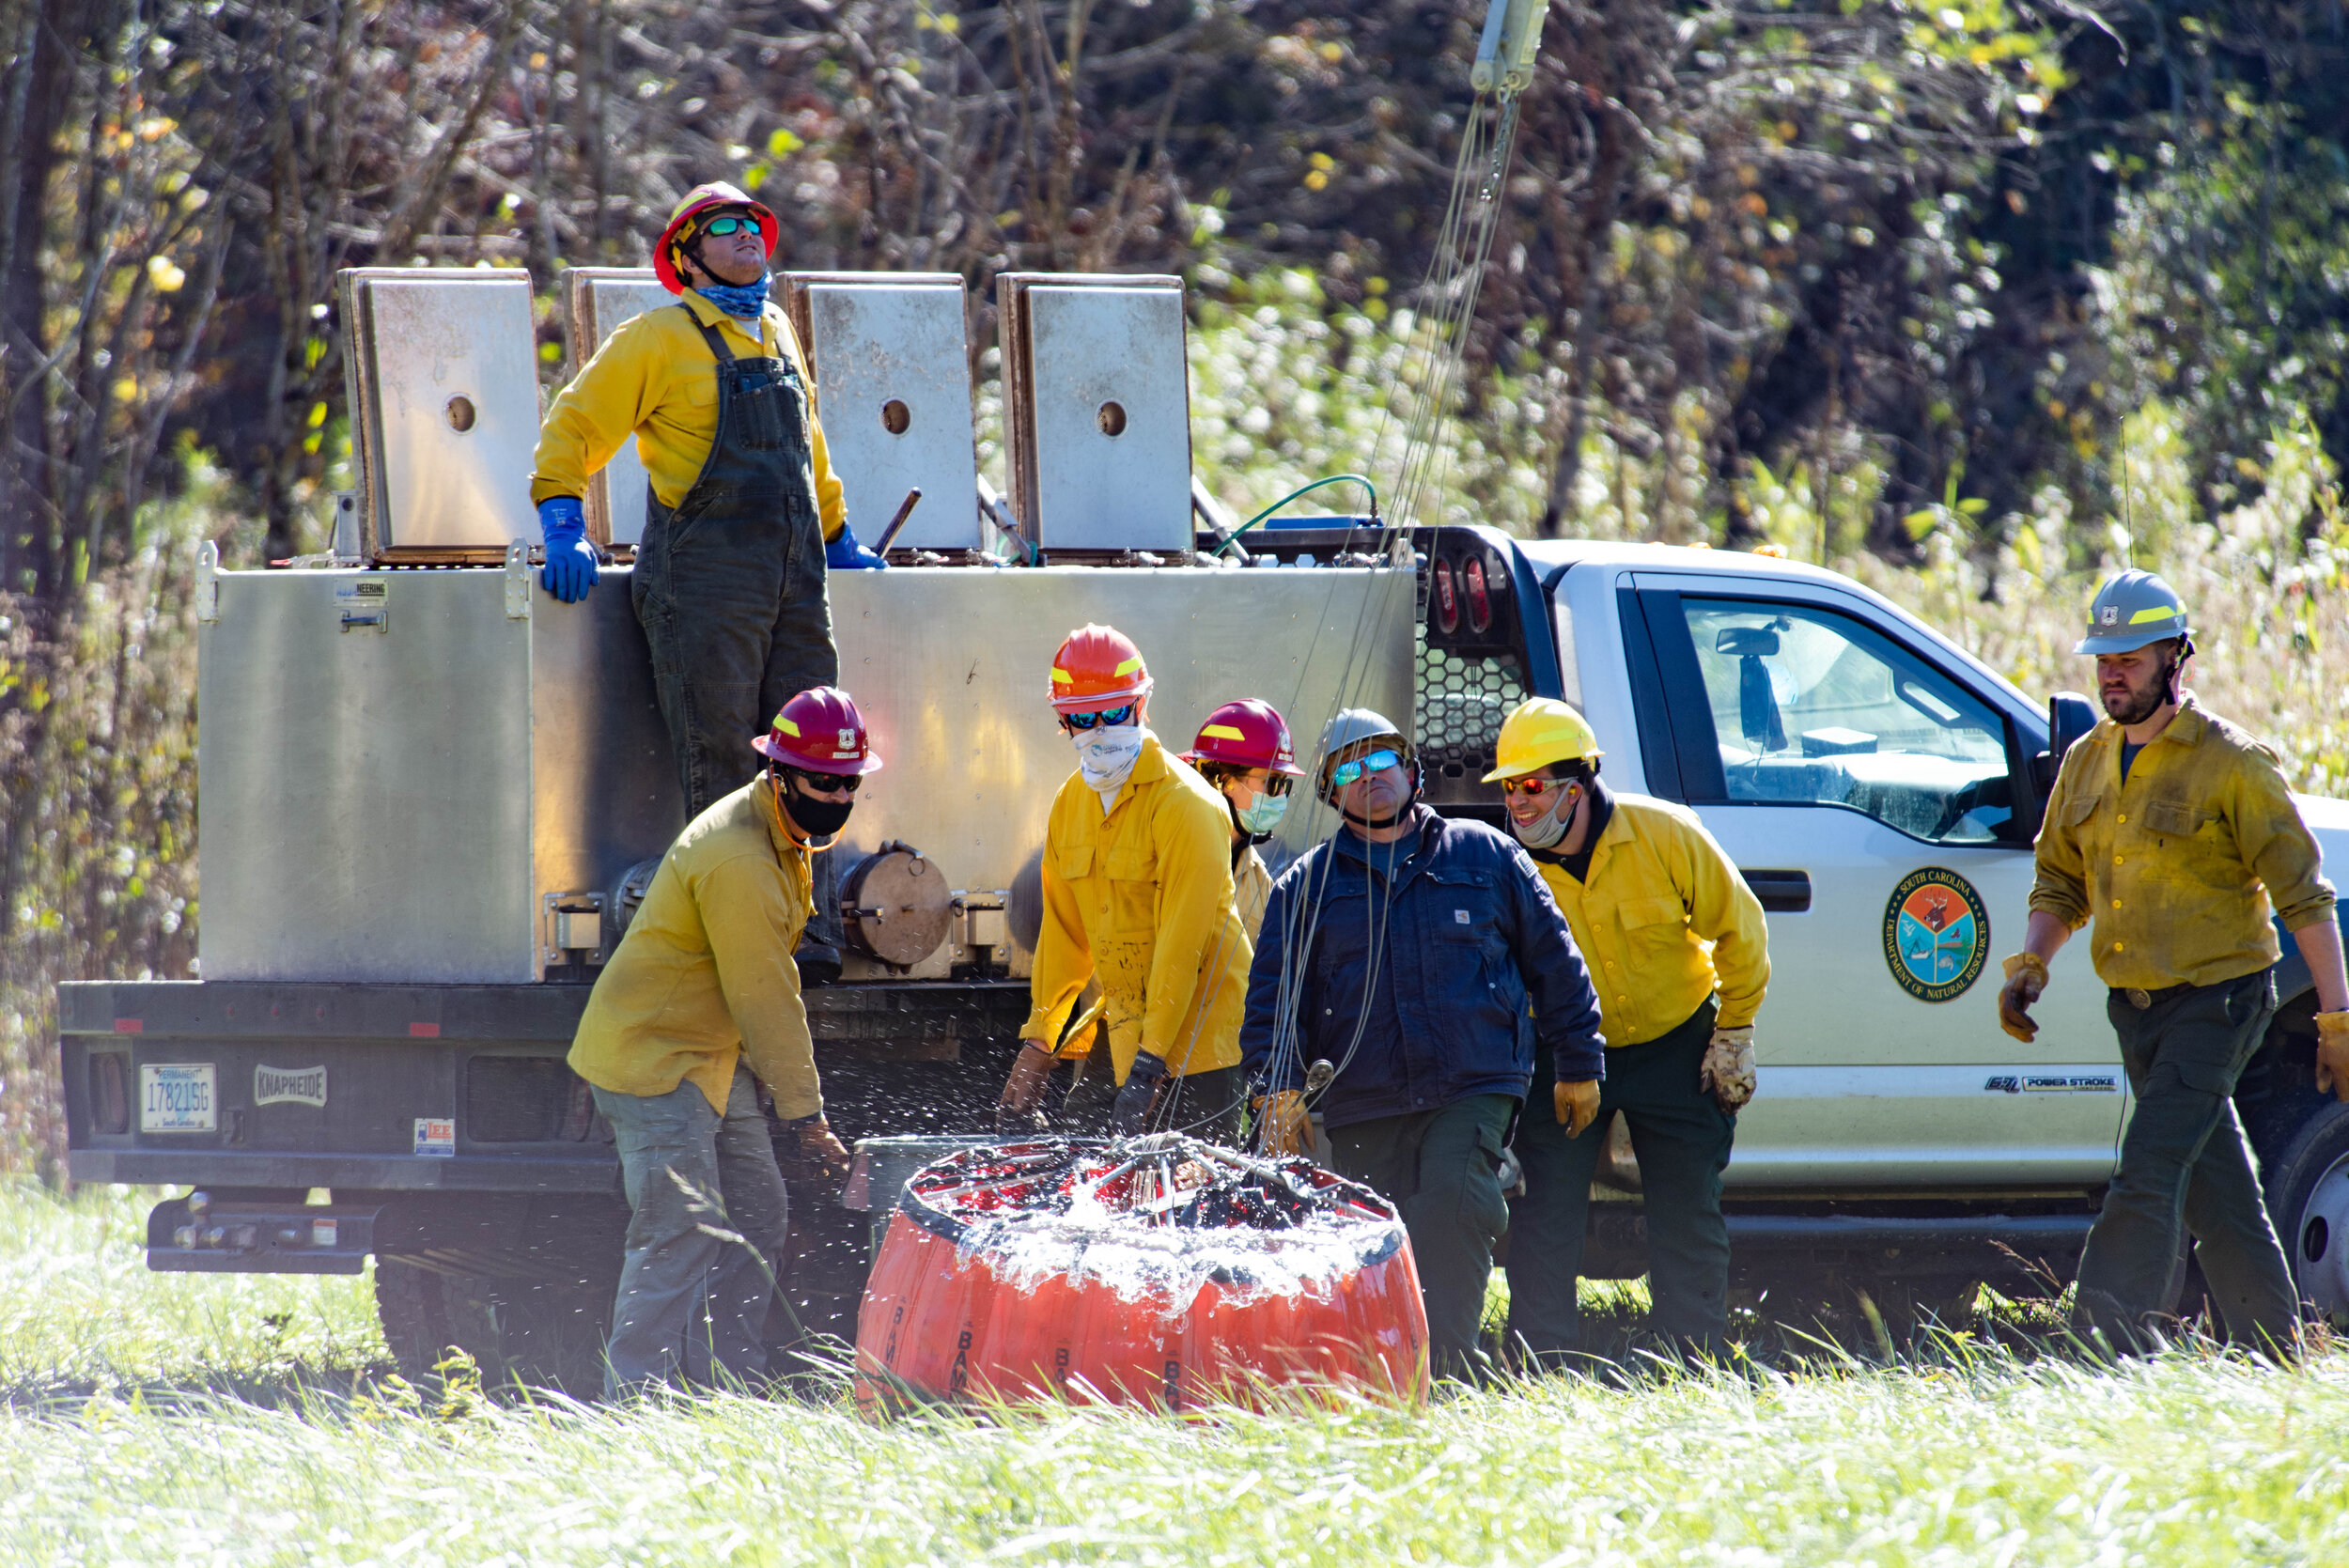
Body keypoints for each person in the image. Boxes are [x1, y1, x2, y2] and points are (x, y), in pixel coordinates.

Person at [530, 182, 884, 972]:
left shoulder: (781, 330)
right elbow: (575, 425)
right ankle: (734, 940)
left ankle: (808, 931)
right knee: (722, 761)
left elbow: (810, 450)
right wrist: (563, 521)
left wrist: (840, 533)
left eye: (754, 222)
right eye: (722, 227)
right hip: (704, 585)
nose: (747, 235)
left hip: (796, 580)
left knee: (816, 753)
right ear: (685, 260)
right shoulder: (656, 337)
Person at [2001, 570, 2349, 1353]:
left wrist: (2337, 1020)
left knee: (2151, 1168)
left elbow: (2307, 897)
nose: (2112, 671)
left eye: (2130, 655)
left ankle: (2098, 1347)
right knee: (2215, 1186)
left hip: (2220, 1000)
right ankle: (2280, 1346)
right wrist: (2032, 961)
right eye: (2103, 657)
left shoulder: (2233, 763)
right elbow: (2059, 880)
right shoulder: (2088, 761)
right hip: (2136, 1008)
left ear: (2175, 658)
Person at [1239, 708, 1605, 1380]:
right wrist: (1277, 1089)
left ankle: (1452, 1374)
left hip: (1473, 1082)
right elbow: (1272, 1001)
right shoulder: (1304, 888)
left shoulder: (1485, 854)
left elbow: (1556, 958)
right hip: (1364, 1099)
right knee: (1375, 1237)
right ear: (1329, 791)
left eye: (1382, 760)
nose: (1368, 776)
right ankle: (1383, 1375)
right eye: (1348, 767)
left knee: (1457, 1202)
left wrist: (1580, 1061)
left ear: (1412, 770)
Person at [567, 686, 878, 1396]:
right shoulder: (738, 857)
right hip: (653, 1056)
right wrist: (808, 1117)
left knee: (758, 1209)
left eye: (849, 783)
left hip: (707, 1052)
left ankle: (725, 1387)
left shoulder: (783, 833)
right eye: (823, 782)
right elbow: (766, 996)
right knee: (680, 1226)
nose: (837, 796)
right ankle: (635, 1404)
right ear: (779, 773)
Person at [1483, 697, 1769, 1363]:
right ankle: (1541, 1359)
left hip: (1678, 1045)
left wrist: (1734, 1030)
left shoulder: (1666, 834)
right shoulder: (1508, 865)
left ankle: (1692, 1354)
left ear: (1578, 783)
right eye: (1509, 789)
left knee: (1687, 1203)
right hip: (1566, 1054)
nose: (1519, 804)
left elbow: (1741, 930)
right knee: (1547, 1209)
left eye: (1534, 786)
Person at [995, 626, 1255, 1141]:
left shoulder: (1189, 806)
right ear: (1062, 722)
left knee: (1194, 1205)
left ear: (1141, 707)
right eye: (1080, 719)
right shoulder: (1071, 805)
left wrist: (1150, 1064)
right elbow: (1066, 937)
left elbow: (1182, 948)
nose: (1098, 730)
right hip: (1122, 1033)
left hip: (1201, 1049)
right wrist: (1038, 1042)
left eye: (1113, 713)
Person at [1181, 699, 1307, 942]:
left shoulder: (1260, 882)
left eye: (1285, 784)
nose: (1281, 797)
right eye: (1272, 784)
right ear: (1226, 783)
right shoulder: (1167, 853)